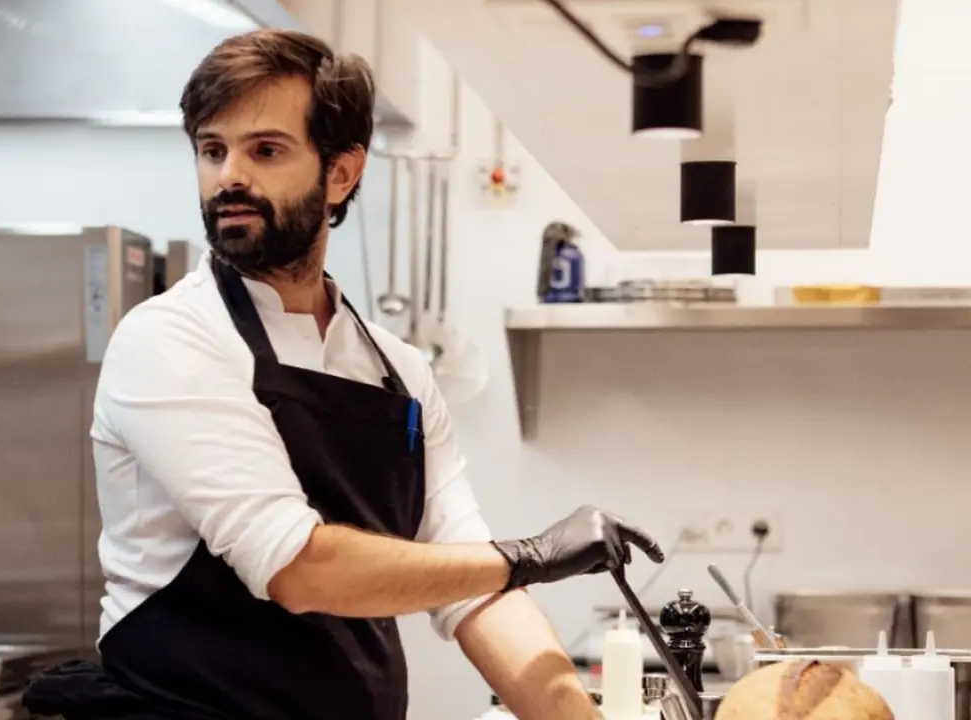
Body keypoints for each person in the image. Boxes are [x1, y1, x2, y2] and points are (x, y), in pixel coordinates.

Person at [32, 28, 663, 720]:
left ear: (341, 172)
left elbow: (475, 590)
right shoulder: (170, 339)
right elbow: (298, 568)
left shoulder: (400, 373)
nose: (229, 176)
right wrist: (531, 554)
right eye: (212, 150)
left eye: (265, 150)